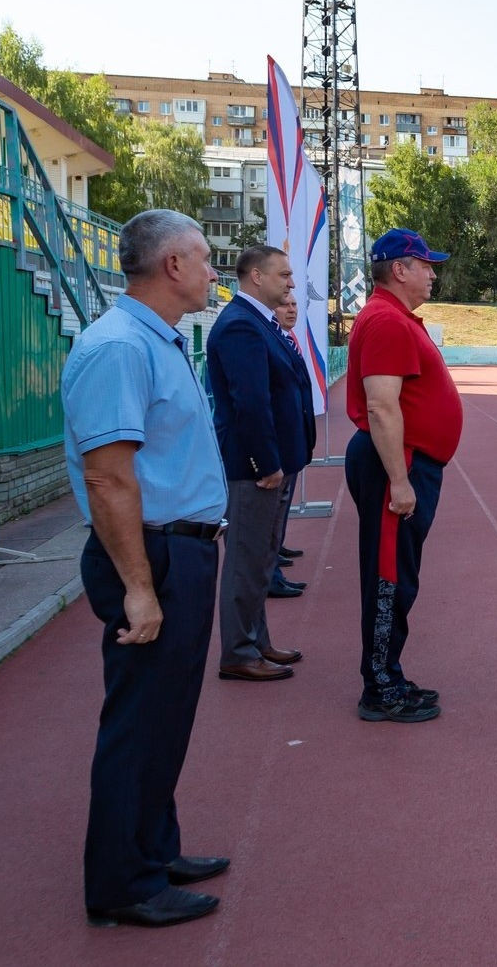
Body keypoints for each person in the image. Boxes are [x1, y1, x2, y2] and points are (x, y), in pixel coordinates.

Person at [62, 209, 229, 929]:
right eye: (204, 258)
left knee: (166, 717)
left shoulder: (155, 341)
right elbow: (107, 478)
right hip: (152, 554)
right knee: (138, 720)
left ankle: (154, 849)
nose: (212, 270)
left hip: (179, 548)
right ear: (172, 266)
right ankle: (123, 881)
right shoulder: (119, 348)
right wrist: (138, 586)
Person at [344, 228, 463, 723]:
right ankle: (381, 686)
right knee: (390, 577)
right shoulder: (387, 322)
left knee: (398, 574)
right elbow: (381, 406)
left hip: (405, 460)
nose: (433, 273)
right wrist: (400, 480)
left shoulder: (393, 318)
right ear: (400, 269)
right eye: (426, 265)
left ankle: (387, 670)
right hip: (398, 461)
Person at [205, 245, 307, 683]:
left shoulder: (256, 323)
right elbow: (250, 402)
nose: (290, 283)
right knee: (246, 559)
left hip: (271, 463)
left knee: (261, 557)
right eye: (283, 275)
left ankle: (256, 639)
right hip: (255, 469)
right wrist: (265, 463)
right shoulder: (241, 327)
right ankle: (239, 652)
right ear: (256, 277)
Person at [269, 295, 313, 595]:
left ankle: (276, 553)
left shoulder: (288, 339)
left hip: (292, 440)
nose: (292, 310)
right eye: (286, 305)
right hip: (278, 444)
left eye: (295, 306)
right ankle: (270, 573)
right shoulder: (269, 339)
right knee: (271, 511)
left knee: (281, 506)